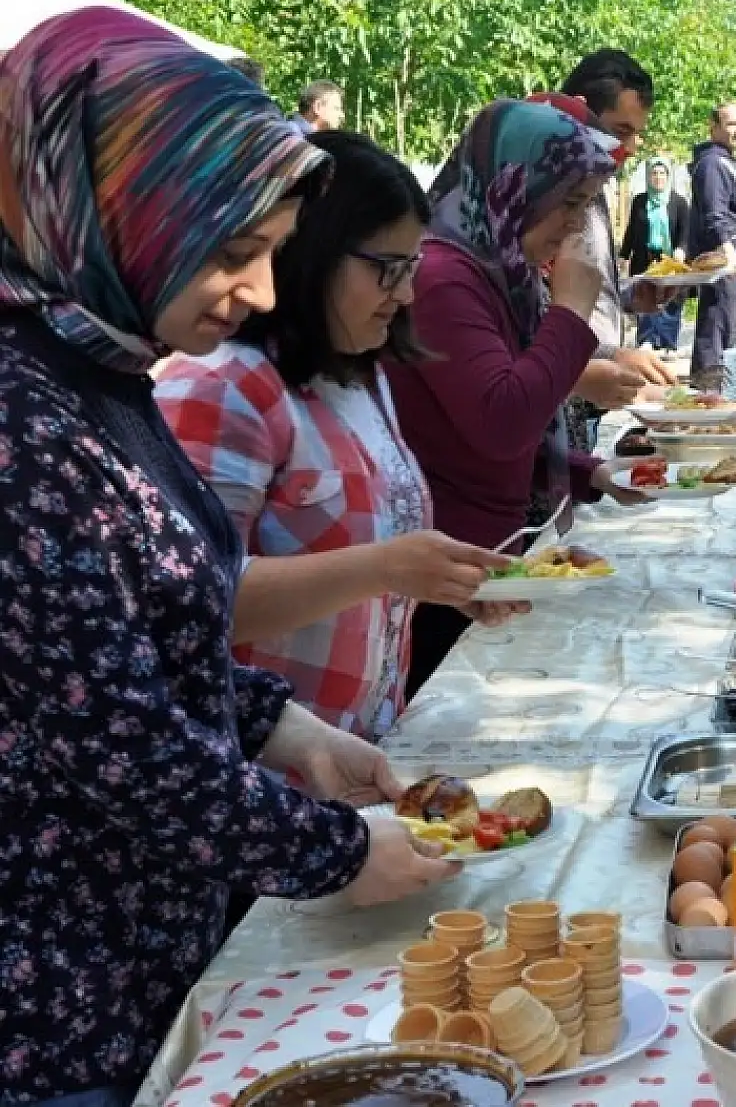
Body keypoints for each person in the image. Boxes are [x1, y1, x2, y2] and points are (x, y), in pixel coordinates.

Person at [0, 12, 457, 1104]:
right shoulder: (19, 427)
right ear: (119, 210)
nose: (258, 292)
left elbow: (148, 625)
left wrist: (279, 726)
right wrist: (337, 855)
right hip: (59, 1013)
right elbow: (116, 745)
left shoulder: (98, 371)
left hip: (144, 960)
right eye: (233, 252)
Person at [156, 130, 522, 741]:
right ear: (313, 250)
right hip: (263, 777)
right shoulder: (225, 387)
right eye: (387, 269)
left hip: (357, 750)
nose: (405, 295)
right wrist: (385, 568)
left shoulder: (362, 375)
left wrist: (440, 580)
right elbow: (192, 604)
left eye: (412, 268)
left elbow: (370, 561)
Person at [387, 100, 643, 695]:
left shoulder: (500, 267)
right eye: (570, 204)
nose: (577, 230)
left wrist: (589, 472)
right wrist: (573, 309)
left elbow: (505, 406)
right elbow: (502, 420)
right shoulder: (443, 276)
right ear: (516, 184)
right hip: (442, 577)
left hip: (484, 563)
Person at [550, 50, 677, 453]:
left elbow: (587, 283)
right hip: (559, 390)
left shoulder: (595, 184)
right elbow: (536, 319)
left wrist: (630, 297)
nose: (632, 147)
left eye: (637, 133)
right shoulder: (547, 194)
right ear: (579, 113)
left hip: (583, 394)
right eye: (621, 131)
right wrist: (613, 355)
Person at [689, 101, 736, 390]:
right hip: (723, 265)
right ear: (714, 128)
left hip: (733, 264)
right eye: (731, 125)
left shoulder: (727, 161)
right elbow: (713, 214)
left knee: (725, 329)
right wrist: (728, 252)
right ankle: (707, 394)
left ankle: (716, 390)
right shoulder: (713, 164)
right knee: (716, 329)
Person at [623, 158, 690, 350]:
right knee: (645, 295)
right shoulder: (640, 201)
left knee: (671, 299)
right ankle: (647, 339)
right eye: (654, 173)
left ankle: (668, 343)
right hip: (645, 257)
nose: (658, 177)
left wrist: (681, 249)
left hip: (670, 260)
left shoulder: (679, 202)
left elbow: (686, 230)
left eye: (662, 173)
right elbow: (631, 230)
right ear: (648, 177)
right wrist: (624, 255)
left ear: (668, 177)